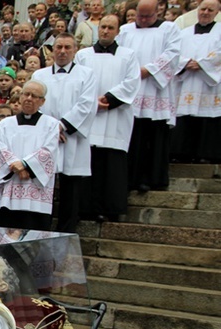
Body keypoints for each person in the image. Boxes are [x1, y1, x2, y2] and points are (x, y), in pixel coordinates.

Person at [75, 14, 142, 222]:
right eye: (102, 27)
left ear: (117, 31)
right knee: (89, 164)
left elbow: (132, 82)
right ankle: (86, 208)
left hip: (115, 117)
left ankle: (111, 208)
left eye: (110, 28)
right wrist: (93, 102)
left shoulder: (128, 55)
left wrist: (109, 99)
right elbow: (76, 81)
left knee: (111, 165)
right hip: (90, 116)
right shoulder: (83, 55)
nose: (105, 31)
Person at [31, 33, 98, 233]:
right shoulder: (39, 75)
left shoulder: (86, 74)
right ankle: (41, 228)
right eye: (58, 47)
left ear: (75, 50)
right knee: (43, 184)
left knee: (71, 186)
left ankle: (66, 230)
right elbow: (35, 102)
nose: (62, 51)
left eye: (67, 47)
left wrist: (62, 127)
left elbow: (86, 105)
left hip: (72, 138)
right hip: (46, 139)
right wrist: (50, 129)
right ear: (52, 50)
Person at [116, 0, 182, 192]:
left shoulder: (169, 29)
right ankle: (130, 179)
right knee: (133, 136)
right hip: (131, 89)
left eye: (147, 16)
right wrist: (131, 74)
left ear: (157, 13)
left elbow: (173, 54)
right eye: (140, 16)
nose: (143, 20)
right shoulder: (126, 30)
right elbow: (118, 54)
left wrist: (149, 70)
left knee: (153, 137)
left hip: (155, 89)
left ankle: (153, 179)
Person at [0, 80, 60, 231]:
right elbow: (0, 148)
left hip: (36, 191)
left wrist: (25, 164)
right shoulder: (5, 124)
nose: (29, 98)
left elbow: (50, 151)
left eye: (34, 96)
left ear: (42, 101)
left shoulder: (51, 124)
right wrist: (18, 166)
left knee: (34, 234)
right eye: (26, 94)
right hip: (9, 188)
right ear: (20, 97)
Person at [170, 0, 221, 164]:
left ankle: (207, 154)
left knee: (208, 117)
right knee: (185, 116)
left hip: (208, 83)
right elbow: (174, 54)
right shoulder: (183, 33)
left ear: (217, 12)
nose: (205, 12)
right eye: (203, 9)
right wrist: (185, 63)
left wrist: (203, 64)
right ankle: (181, 152)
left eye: (210, 10)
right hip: (186, 81)